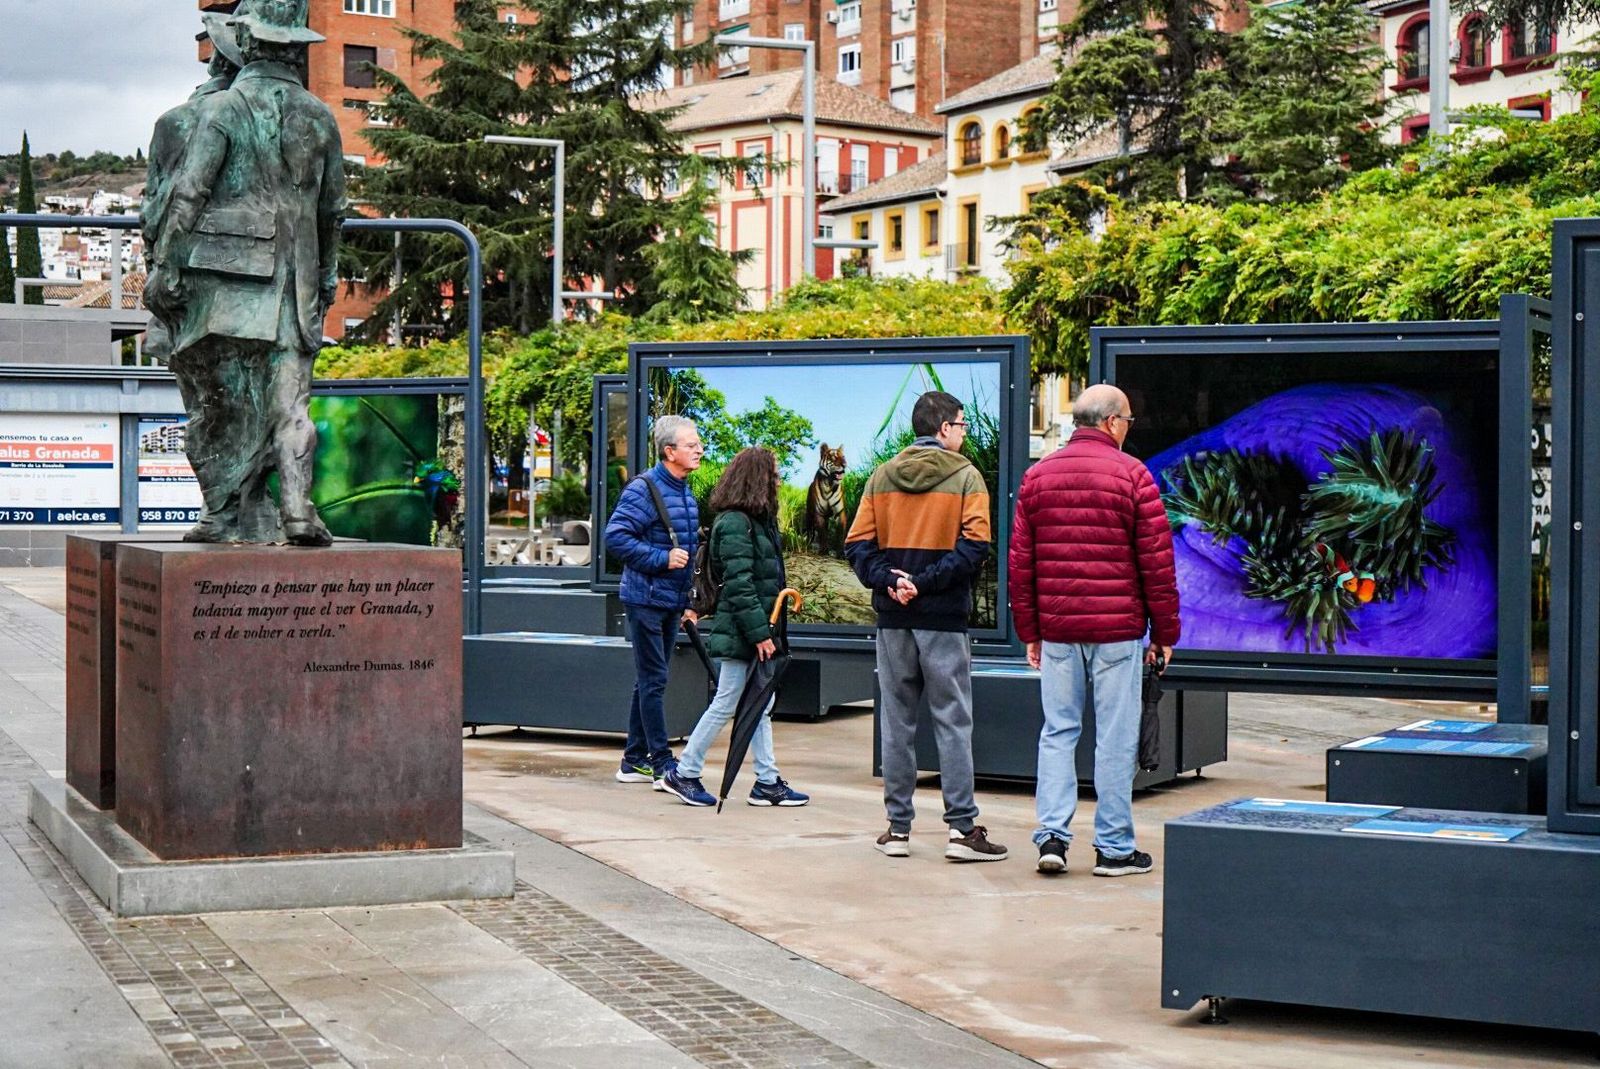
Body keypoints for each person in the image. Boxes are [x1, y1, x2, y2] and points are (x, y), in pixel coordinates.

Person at [144, 0, 345, 546]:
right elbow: (333, 213)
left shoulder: (224, 109)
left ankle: (224, 513)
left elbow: (188, 192)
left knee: (221, 405)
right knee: (290, 405)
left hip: (229, 286)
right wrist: (325, 277)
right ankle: (298, 508)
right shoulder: (320, 116)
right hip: (297, 287)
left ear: (250, 44)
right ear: (297, 47)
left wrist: (165, 268)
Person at [1008, 383, 1180, 878]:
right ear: (1110, 422)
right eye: (1127, 420)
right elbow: (1156, 564)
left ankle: (1053, 840)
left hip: (1059, 630)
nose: (1128, 429)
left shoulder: (1038, 476)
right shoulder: (1133, 475)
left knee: (1058, 732)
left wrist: (1031, 631)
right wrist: (1165, 632)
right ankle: (1114, 849)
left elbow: (1022, 565)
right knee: (1115, 738)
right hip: (1117, 633)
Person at [846, 391, 1006, 862]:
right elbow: (975, 548)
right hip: (943, 619)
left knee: (896, 723)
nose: (963, 432)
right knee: (952, 721)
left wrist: (893, 581)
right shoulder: (967, 477)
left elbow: (857, 546)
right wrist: (925, 583)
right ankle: (961, 831)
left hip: (893, 620)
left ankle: (897, 831)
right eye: (961, 425)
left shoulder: (880, 477)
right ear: (942, 429)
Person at [661, 448, 810, 808]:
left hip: (750, 627)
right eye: (773, 475)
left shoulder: (754, 522)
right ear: (758, 479)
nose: (777, 481)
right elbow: (740, 584)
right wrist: (760, 634)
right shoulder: (735, 524)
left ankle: (767, 781)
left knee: (759, 700)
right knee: (730, 700)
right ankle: (685, 771)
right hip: (745, 630)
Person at [604, 415, 702, 789]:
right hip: (645, 599)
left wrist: (687, 601)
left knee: (649, 679)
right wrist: (661, 559)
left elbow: (689, 550)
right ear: (669, 451)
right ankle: (662, 762)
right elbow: (615, 537)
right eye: (691, 445)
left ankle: (633, 760)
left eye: (698, 444)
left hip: (669, 600)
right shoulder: (644, 489)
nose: (699, 450)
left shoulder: (683, 489)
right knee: (654, 678)